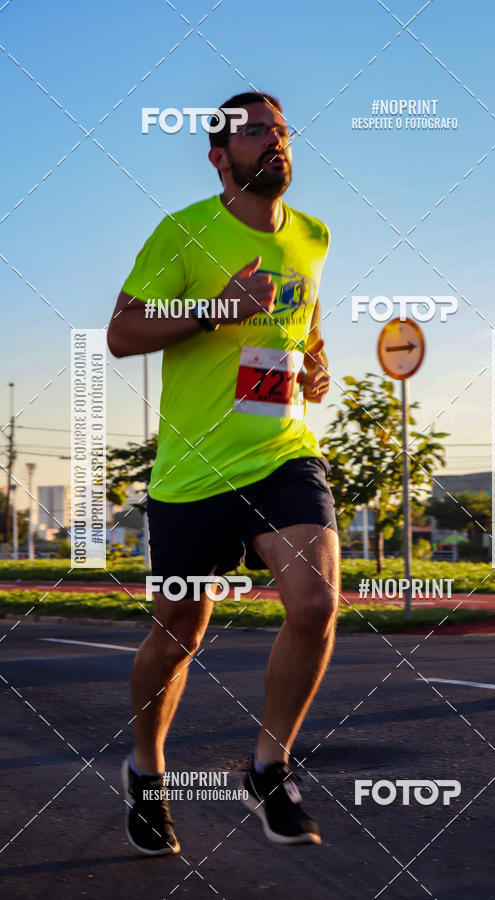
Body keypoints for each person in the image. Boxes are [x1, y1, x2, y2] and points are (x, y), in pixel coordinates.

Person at [107, 91, 339, 855]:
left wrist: (314, 367)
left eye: (281, 128)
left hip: (282, 455)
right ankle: (146, 771)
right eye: (255, 132)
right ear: (219, 157)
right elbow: (121, 332)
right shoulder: (182, 232)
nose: (274, 141)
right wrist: (215, 309)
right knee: (180, 634)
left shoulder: (313, 237)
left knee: (313, 603)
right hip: (193, 472)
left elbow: (305, 332)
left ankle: (269, 766)